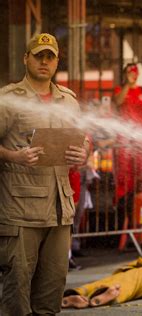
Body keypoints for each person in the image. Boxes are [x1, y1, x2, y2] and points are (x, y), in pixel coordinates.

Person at [0, 33, 89, 315]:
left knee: (51, 292)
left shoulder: (68, 101)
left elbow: (83, 137)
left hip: (60, 209)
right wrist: (15, 156)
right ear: (26, 58)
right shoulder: (8, 99)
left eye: (50, 56)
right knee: (18, 293)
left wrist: (84, 153)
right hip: (21, 210)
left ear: (57, 62)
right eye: (38, 55)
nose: (44, 61)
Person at [113, 63, 142, 227]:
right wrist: (127, 84)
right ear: (125, 74)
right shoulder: (120, 89)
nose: (133, 75)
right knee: (124, 177)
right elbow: (117, 102)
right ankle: (122, 212)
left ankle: (138, 218)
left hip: (140, 139)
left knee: (140, 175)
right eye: (129, 72)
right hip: (124, 139)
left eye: (135, 72)